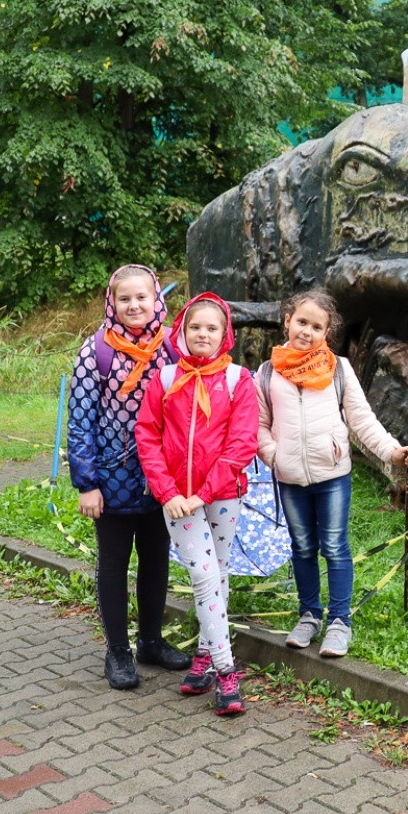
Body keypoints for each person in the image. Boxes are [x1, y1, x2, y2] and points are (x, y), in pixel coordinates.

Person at [256, 288, 408, 659]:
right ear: (287, 321)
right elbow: (259, 425)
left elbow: (362, 421)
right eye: (301, 322)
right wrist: (273, 454)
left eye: (316, 326)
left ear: (326, 332)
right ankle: (309, 615)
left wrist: (393, 451)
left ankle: (340, 622)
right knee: (303, 547)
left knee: (334, 547)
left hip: (332, 477)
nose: (307, 331)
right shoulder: (267, 373)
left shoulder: (338, 369)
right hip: (290, 478)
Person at [67, 265, 191, 690]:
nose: (135, 306)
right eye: (125, 299)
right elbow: (80, 421)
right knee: (115, 563)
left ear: (157, 297)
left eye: (143, 297)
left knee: (157, 559)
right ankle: (117, 651)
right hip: (112, 478)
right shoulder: (96, 351)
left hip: (163, 479)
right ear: (112, 302)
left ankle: (151, 642)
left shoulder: (174, 346)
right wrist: (87, 483)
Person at [136, 292, 259, 716]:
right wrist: (169, 492)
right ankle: (227, 674)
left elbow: (241, 443)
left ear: (225, 335)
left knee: (219, 571)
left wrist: (202, 493)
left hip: (222, 495)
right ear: (182, 332)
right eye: (195, 327)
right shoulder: (166, 379)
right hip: (177, 503)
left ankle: (205, 657)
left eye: (212, 328)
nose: (202, 334)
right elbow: (147, 435)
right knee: (204, 575)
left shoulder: (239, 380)